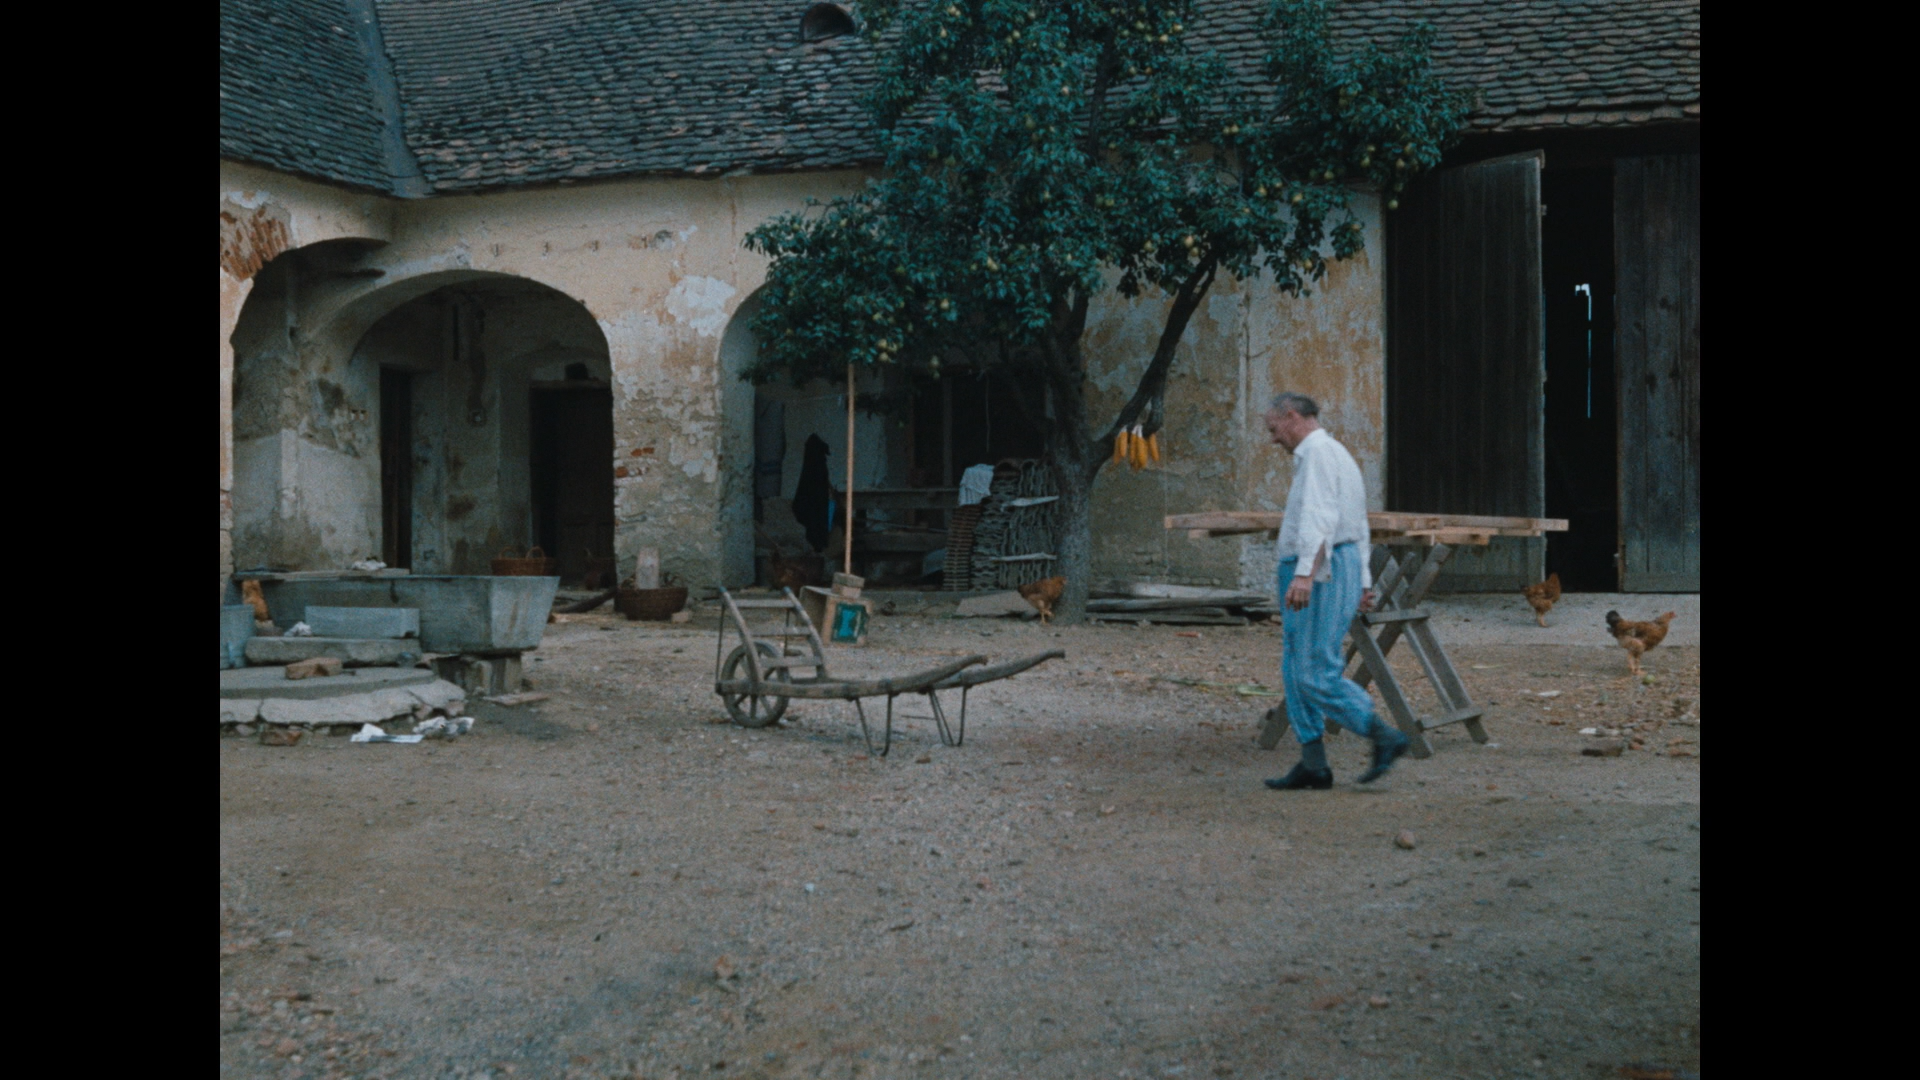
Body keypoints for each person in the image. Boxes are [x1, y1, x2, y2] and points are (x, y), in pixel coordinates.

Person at [1261, 392, 1412, 790]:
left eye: (1274, 429)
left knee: (1313, 669)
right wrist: (1362, 581)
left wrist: (1305, 575)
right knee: (1295, 665)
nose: (1273, 439)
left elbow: (1320, 517)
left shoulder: (1319, 455)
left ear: (1292, 417)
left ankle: (1383, 735)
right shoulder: (1332, 455)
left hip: (1320, 566)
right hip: (1331, 564)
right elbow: (1357, 524)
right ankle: (1313, 763)